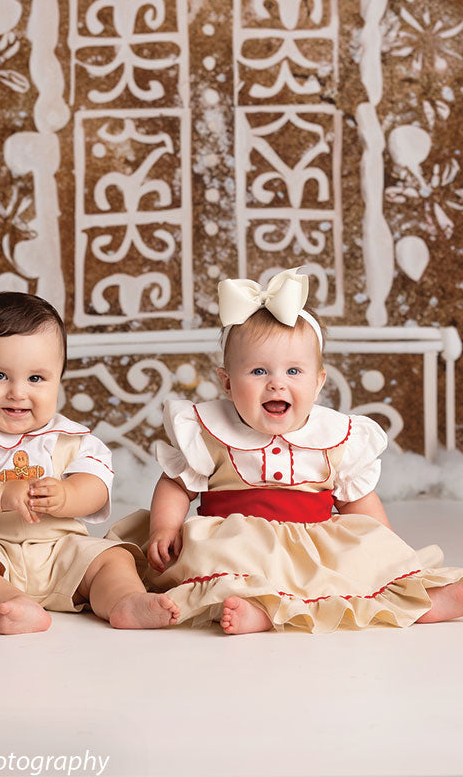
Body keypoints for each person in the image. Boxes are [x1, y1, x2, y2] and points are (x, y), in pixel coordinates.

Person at [125, 267, 463, 633]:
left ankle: (422, 598)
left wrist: (386, 550)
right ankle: (258, 609)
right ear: (226, 382)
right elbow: (176, 484)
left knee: (360, 559)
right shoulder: (210, 432)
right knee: (220, 557)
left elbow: (359, 502)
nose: (276, 384)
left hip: (313, 544)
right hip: (239, 540)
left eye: (293, 372)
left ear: (318, 382)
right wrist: (165, 526)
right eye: (257, 372)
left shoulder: (335, 438)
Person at [0, 292, 179, 634]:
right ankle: (9, 603)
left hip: (61, 549)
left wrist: (67, 495)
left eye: (36, 378)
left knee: (113, 558)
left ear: (58, 378)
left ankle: (124, 601)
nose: (18, 392)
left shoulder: (72, 438)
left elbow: (95, 488)